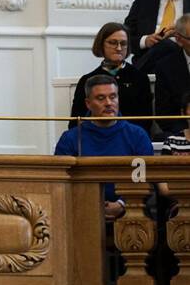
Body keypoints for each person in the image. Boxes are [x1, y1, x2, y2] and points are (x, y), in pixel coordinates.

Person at [54, 73, 153, 221]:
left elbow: (146, 180)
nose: (109, 103)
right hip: (81, 212)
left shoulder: (137, 135)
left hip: (130, 211)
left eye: (113, 97)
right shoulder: (70, 138)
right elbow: (60, 183)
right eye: (101, 98)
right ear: (88, 103)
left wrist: (121, 204)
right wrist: (92, 205)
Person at [68, 23, 151, 125]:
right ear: (101, 44)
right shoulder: (87, 80)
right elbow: (76, 122)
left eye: (123, 43)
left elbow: (146, 120)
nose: (119, 48)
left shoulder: (139, 78)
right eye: (113, 43)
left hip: (130, 137)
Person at [147, 14, 190, 137]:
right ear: (178, 39)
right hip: (181, 135)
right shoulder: (165, 67)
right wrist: (185, 134)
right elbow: (164, 113)